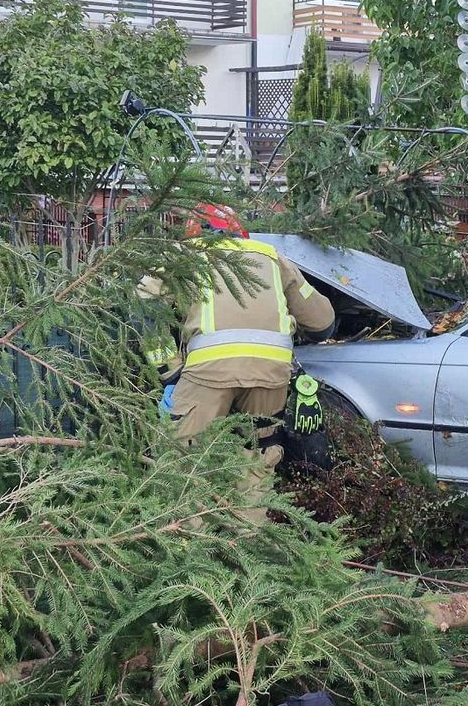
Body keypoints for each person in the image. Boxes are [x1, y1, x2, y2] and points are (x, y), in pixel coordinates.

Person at [137, 203, 335, 521]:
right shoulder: (272, 257)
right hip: (271, 371)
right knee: (259, 455)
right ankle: (247, 549)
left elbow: (144, 311)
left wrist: (169, 373)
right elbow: (323, 322)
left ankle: (187, 549)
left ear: (193, 233)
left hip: (207, 372)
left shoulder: (181, 256)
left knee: (183, 456)